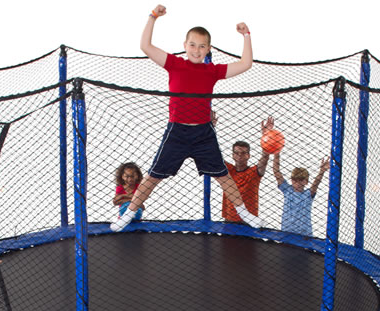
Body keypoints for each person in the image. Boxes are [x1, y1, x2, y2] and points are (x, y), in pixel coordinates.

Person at [110, 4, 265, 232]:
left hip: (203, 133)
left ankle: (245, 214)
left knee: (223, 177)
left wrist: (246, 36)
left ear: (208, 48)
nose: (196, 50)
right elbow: (145, 46)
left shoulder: (211, 71)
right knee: (153, 177)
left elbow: (246, 64)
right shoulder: (175, 64)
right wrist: (153, 17)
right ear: (185, 46)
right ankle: (129, 214)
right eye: (192, 45)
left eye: (202, 46)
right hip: (177, 132)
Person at [221, 118, 273, 223]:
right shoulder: (229, 170)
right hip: (229, 221)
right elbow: (214, 155)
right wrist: (211, 127)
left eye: (243, 153)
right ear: (232, 155)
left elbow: (265, 158)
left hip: (248, 222)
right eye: (236, 153)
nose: (239, 156)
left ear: (248, 155)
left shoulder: (254, 172)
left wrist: (266, 136)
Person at [272, 149, 329, 237]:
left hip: (305, 235)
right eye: (295, 180)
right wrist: (277, 153)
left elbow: (316, 183)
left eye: (301, 180)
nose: (297, 183)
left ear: (306, 181)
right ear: (291, 180)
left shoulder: (308, 194)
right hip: (287, 234)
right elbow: (276, 172)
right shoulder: (288, 190)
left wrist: (322, 171)